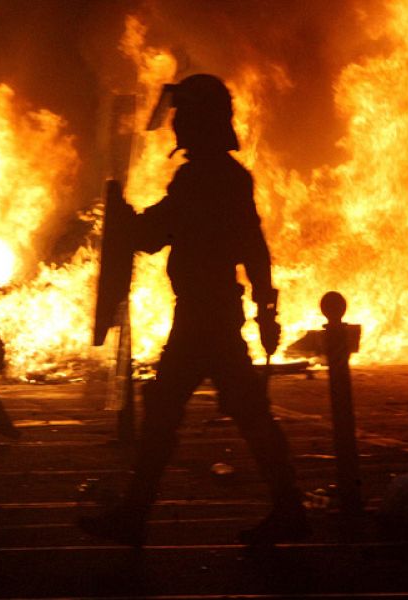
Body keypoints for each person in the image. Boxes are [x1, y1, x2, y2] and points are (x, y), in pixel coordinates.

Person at [79, 74, 309, 546]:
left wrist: (123, 219)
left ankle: (135, 517)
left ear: (202, 121)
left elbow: (155, 234)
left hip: (205, 317)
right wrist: (266, 311)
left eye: (184, 116)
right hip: (214, 312)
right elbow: (256, 249)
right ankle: (287, 508)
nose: (177, 125)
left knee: (174, 414)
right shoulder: (227, 176)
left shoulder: (202, 178)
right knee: (238, 412)